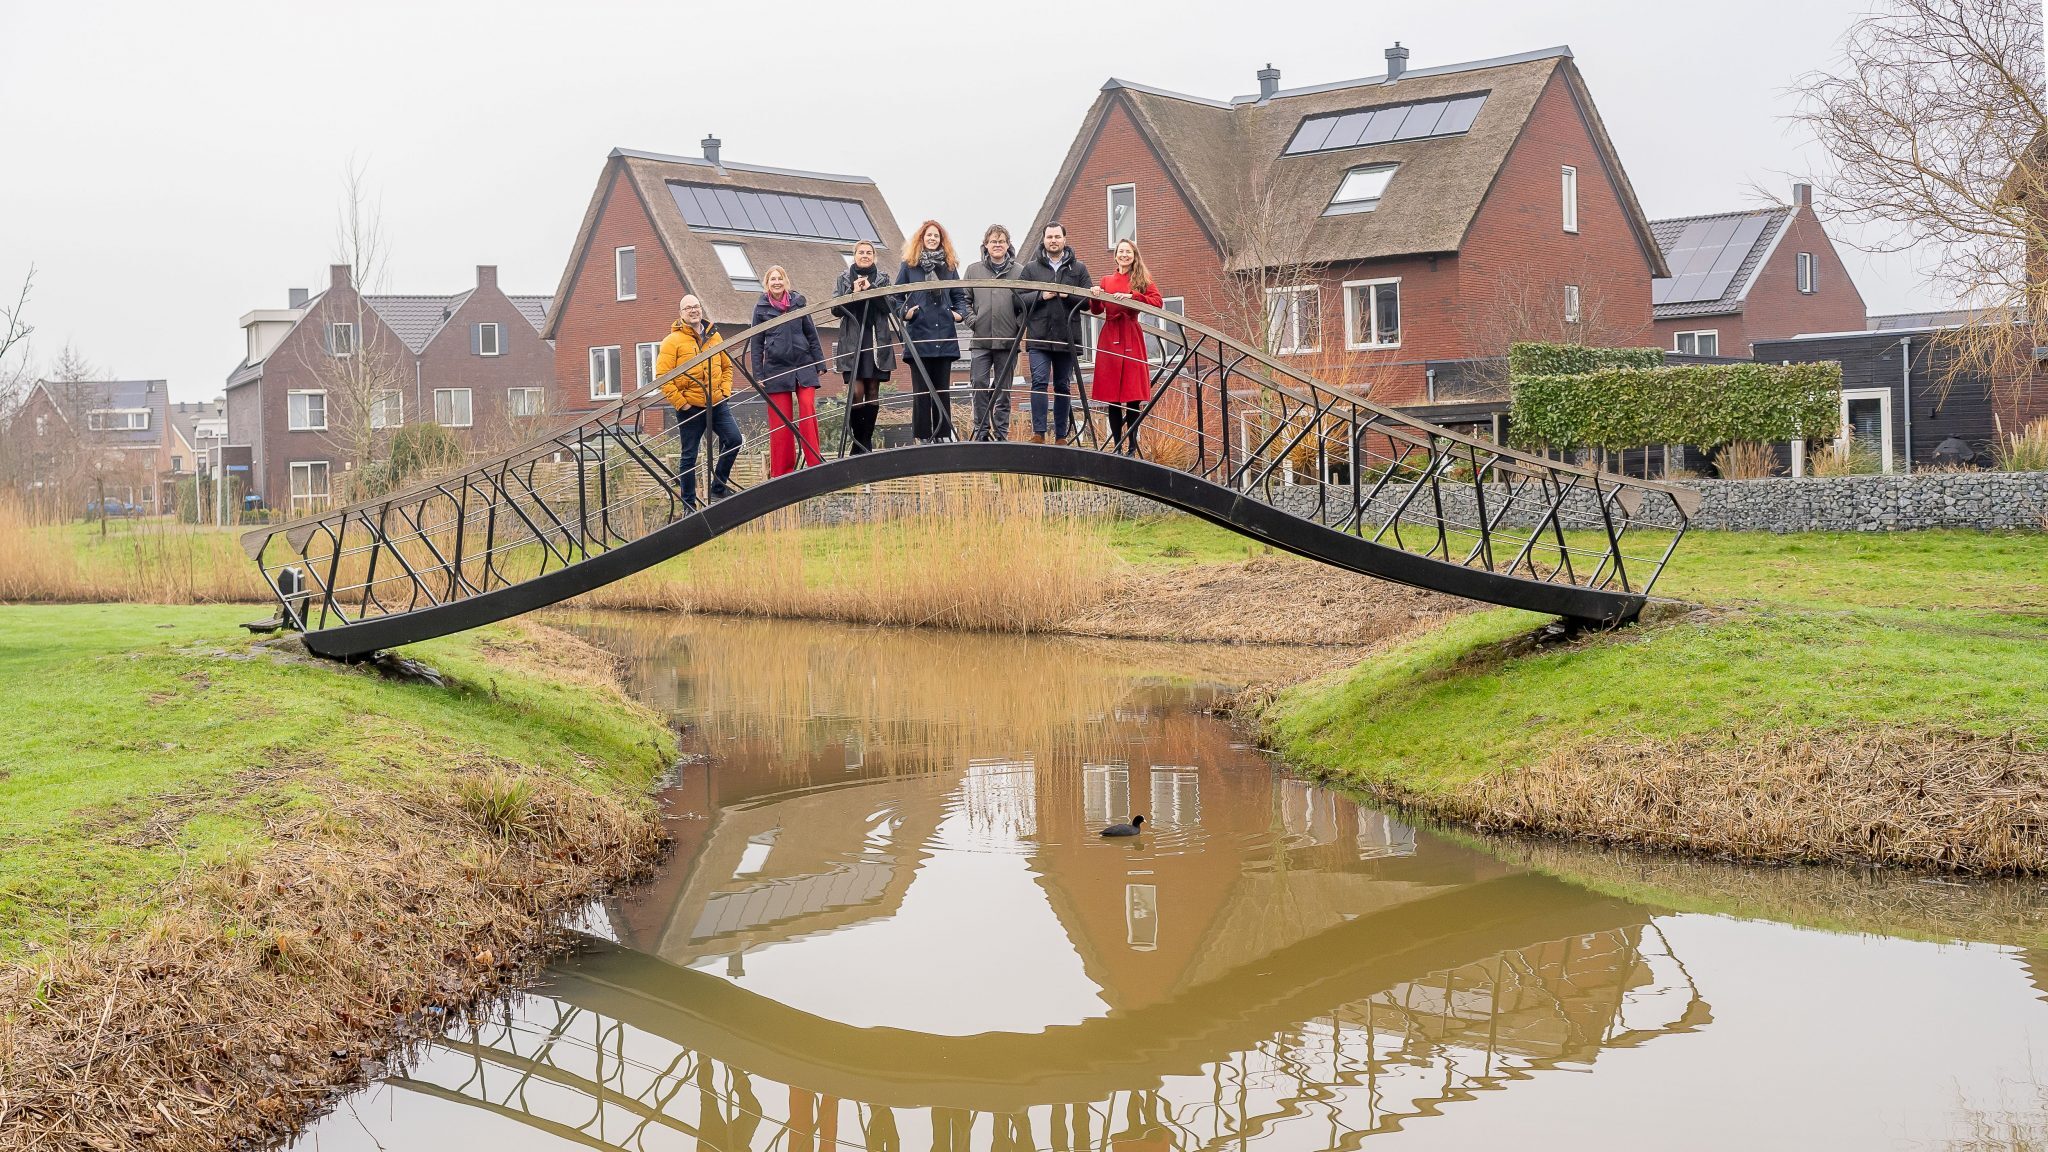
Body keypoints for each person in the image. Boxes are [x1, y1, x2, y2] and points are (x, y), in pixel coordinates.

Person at [655, 294, 741, 508]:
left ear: (701, 309)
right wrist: (681, 403)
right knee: (689, 456)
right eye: (688, 308)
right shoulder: (672, 341)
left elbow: (727, 366)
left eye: (696, 307)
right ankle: (689, 505)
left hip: (717, 403)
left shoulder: (714, 336)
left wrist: (725, 391)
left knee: (734, 439)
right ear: (681, 314)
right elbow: (662, 377)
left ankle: (718, 488)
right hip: (690, 407)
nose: (693, 311)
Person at [1015, 222, 1092, 443]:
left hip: (1066, 336)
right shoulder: (1031, 269)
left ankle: (1060, 436)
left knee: (1062, 385)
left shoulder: (1078, 269)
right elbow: (1018, 299)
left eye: (1057, 237)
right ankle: (1038, 433)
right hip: (1039, 335)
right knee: (1039, 381)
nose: (1053, 241)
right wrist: (1042, 295)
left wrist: (1069, 294)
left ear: (1064, 239)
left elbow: (1088, 301)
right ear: (1044, 240)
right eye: (1049, 237)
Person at [895, 220, 969, 443]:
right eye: (929, 235)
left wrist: (956, 315)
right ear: (921, 238)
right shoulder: (909, 266)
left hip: (944, 335)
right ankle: (922, 436)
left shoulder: (949, 268)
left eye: (936, 236)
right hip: (919, 336)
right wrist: (908, 313)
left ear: (941, 240)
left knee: (942, 389)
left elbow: (960, 297)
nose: (932, 239)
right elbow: (896, 297)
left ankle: (943, 434)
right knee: (922, 392)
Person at [1088, 239, 1163, 455]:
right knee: (1113, 396)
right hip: (1110, 337)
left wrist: (1134, 297)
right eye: (1121, 251)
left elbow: (1157, 301)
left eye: (1128, 252)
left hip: (1131, 335)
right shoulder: (1106, 280)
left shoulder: (1141, 279)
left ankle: (1132, 445)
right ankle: (1118, 446)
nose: (1124, 255)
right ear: (1115, 255)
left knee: (1132, 396)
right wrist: (1095, 296)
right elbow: (1096, 310)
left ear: (1134, 255)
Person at [749, 266, 826, 476]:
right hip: (776, 369)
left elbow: (811, 333)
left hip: (803, 364)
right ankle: (782, 472)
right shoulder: (761, 308)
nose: (776, 282)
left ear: (786, 281)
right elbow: (756, 344)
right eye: (772, 279)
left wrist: (820, 362)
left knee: (807, 409)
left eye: (780, 278)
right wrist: (758, 374)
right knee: (780, 421)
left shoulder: (798, 302)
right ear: (767, 283)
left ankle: (814, 463)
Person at [831, 240, 898, 454]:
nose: (865, 255)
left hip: (875, 338)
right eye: (861, 252)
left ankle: (865, 442)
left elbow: (889, 306)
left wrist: (872, 289)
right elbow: (836, 310)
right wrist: (852, 291)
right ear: (855, 255)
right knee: (856, 391)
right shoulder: (844, 278)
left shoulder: (882, 278)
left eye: (869, 252)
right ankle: (857, 441)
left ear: (874, 256)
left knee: (872, 390)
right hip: (853, 340)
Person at [963, 225, 1025, 442]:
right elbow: (964, 300)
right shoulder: (973, 270)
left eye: (1001, 241)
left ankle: (1001, 434)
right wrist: (973, 321)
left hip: (1008, 341)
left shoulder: (1019, 271)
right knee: (978, 384)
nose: (997, 245)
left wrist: (1018, 326)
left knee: (1003, 389)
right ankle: (981, 432)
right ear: (986, 245)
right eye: (993, 241)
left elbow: (1025, 303)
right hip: (980, 340)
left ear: (1008, 245)